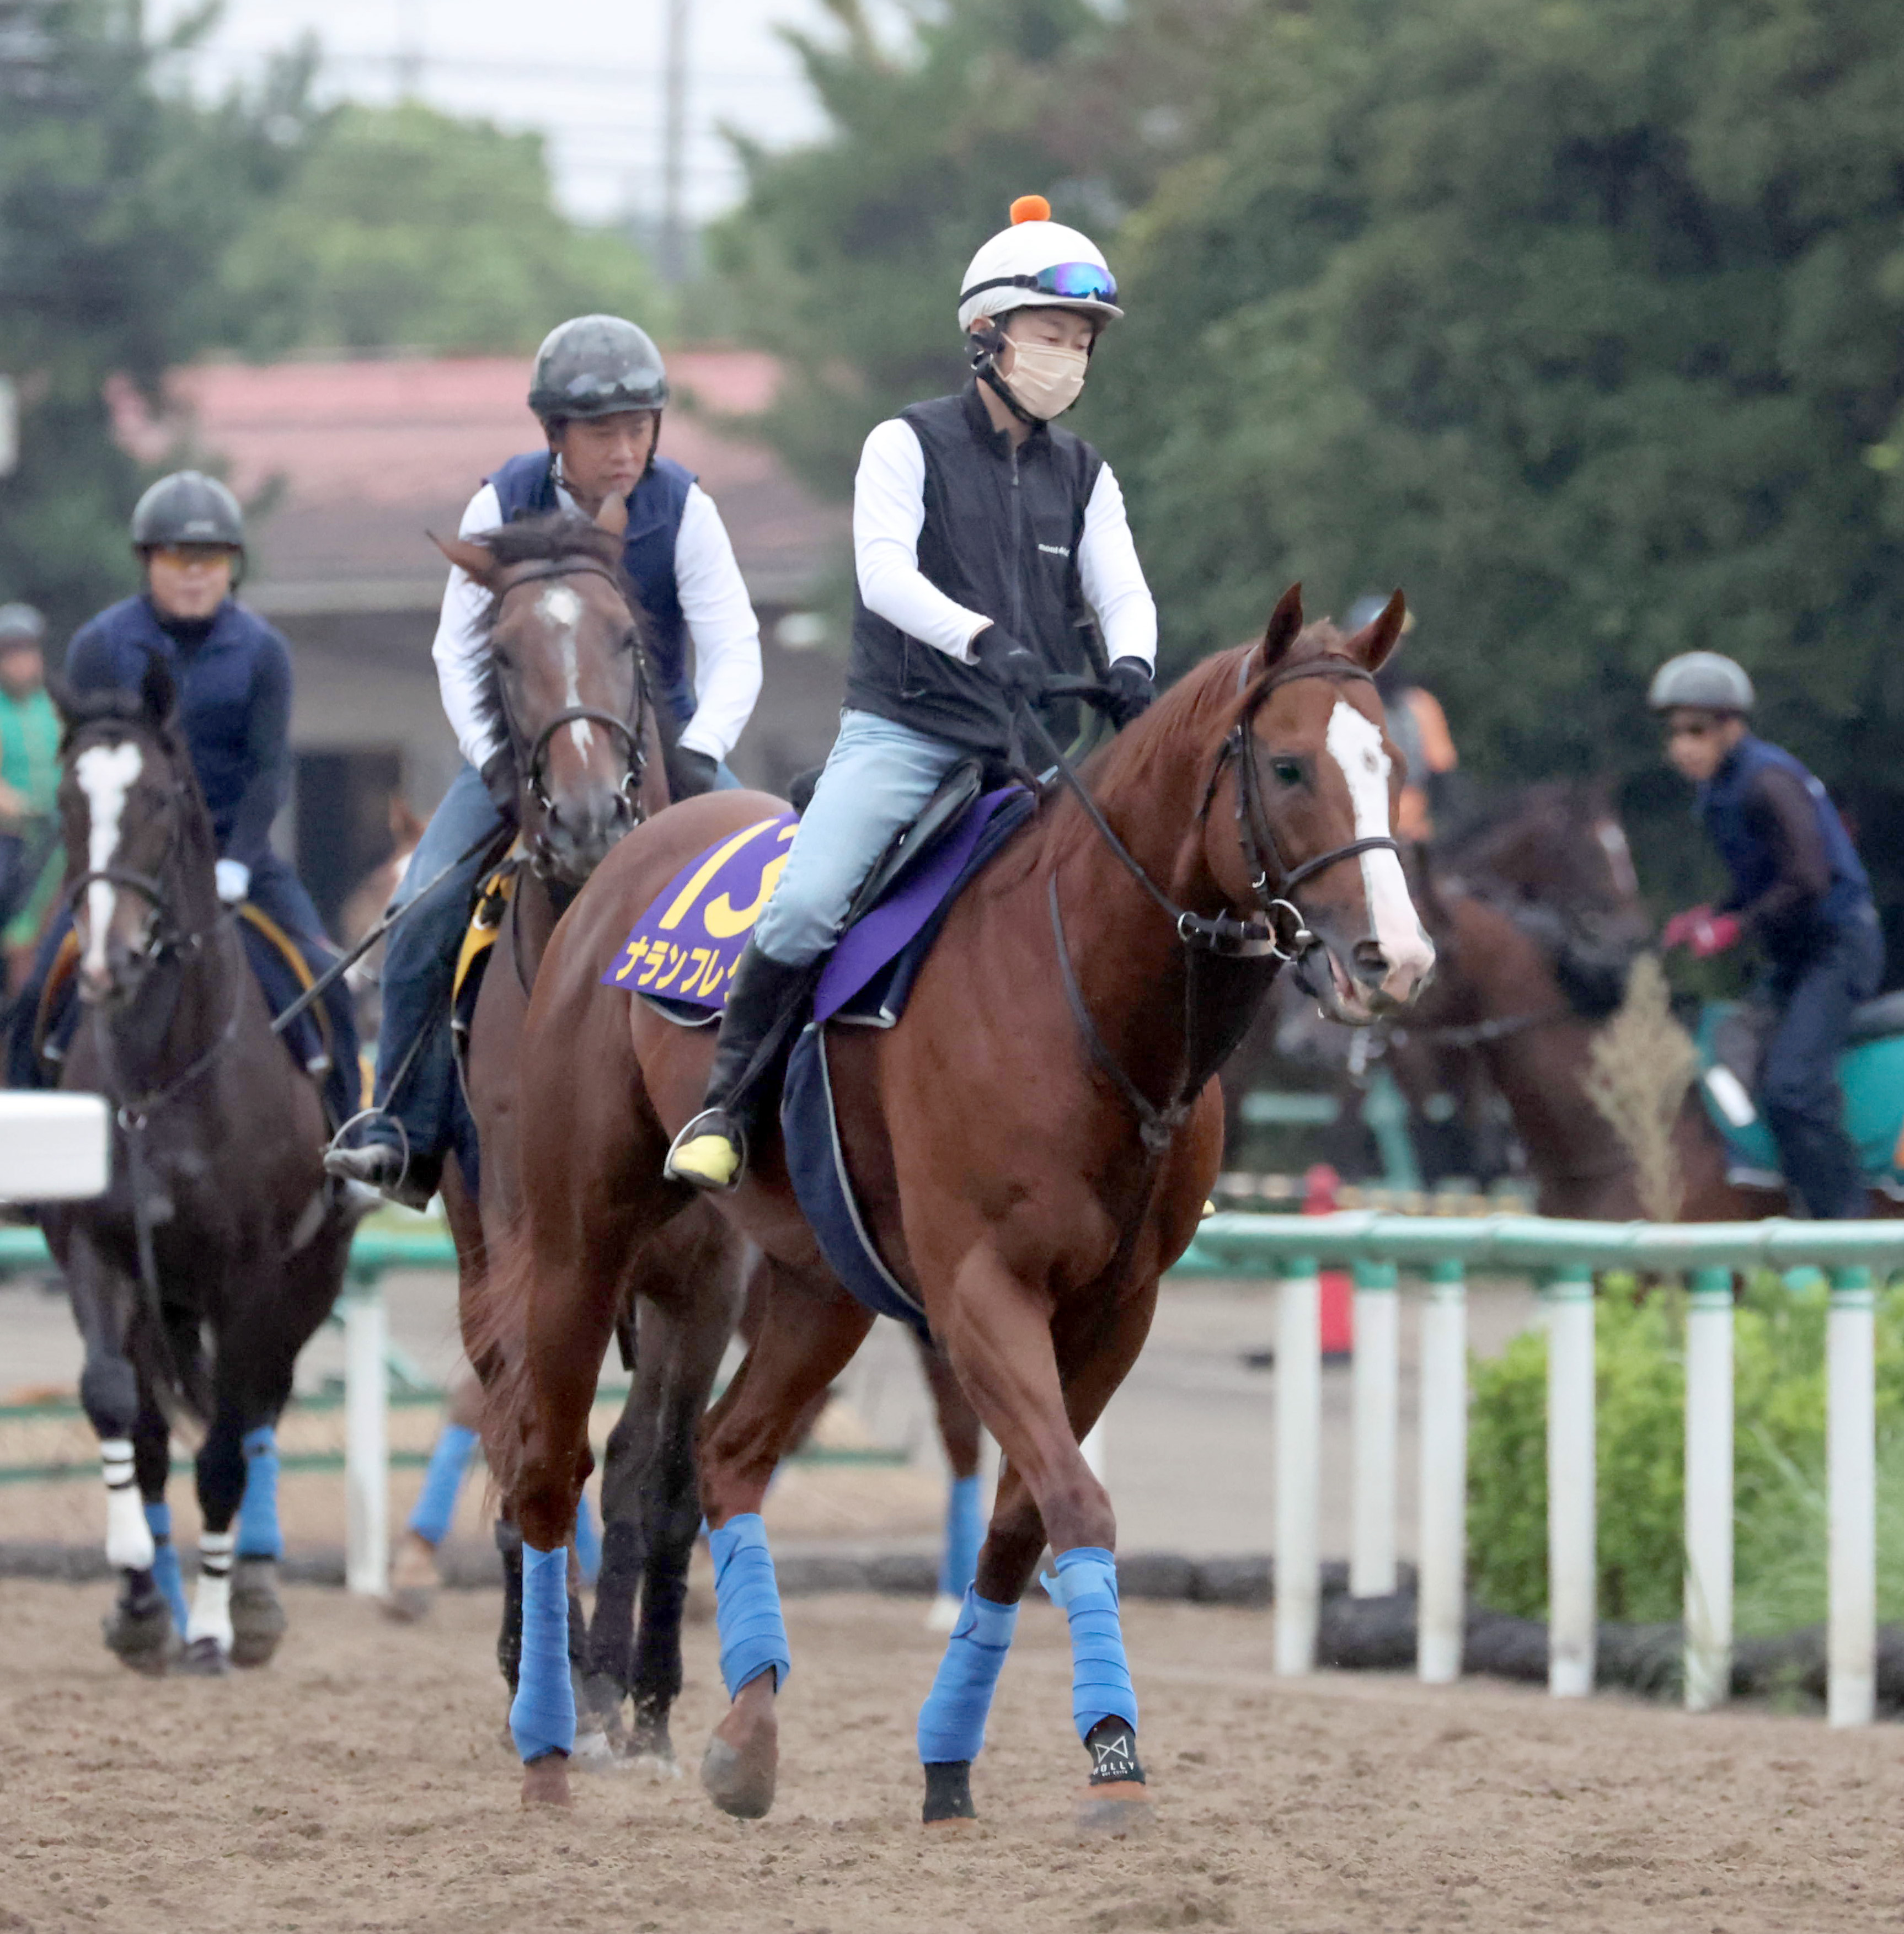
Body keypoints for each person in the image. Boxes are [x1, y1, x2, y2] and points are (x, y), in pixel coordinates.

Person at [665, 194, 1159, 1191]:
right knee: (804, 907)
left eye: (1080, 342)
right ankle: (725, 1106)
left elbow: (1124, 590)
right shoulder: (904, 445)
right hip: (907, 735)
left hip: (1025, 755)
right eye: (1049, 335)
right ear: (986, 338)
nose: (1068, 357)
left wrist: (1135, 666)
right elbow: (885, 574)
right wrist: (981, 638)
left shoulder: (1086, 474)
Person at [324, 314, 765, 1208]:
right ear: (554, 434)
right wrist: (493, 765)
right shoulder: (499, 501)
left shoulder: (685, 506)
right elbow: (457, 653)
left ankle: (767, 1111)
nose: (627, 448)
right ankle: (400, 1129)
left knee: (780, 893)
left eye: (641, 426)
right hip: (520, 760)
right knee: (421, 904)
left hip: (662, 754)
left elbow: (738, 647)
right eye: (605, 431)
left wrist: (698, 752)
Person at [4, 473, 361, 1129]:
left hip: (237, 855)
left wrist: (238, 863)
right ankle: (24, 1158)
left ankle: (349, 1149)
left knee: (325, 980)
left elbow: (269, 772)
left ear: (232, 567)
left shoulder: (262, 653)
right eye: (177, 559)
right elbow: (86, 771)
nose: (195, 575)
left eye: (213, 560)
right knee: (35, 996)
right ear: (148, 562)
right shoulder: (100, 646)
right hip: (127, 862)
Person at [1651, 650, 1882, 1218]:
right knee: (1732, 1056)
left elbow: (1807, 878)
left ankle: (1847, 1227)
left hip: (1836, 951)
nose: (1682, 745)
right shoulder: (1718, 790)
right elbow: (1760, 880)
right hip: (1796, 956)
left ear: (1731, 726)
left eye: (1696, 730)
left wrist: (1733, 927)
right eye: (1674, 731)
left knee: (1791, 1089)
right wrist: (1708, 913)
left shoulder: (1766, 782)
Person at [1352, 595, 1456, 843]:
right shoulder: (1339, 706)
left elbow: (1443, 773)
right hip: (1355, 845)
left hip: (1416, 840)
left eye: (1395, 639)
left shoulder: (1421, 706)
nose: (1390, 647)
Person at [0, 604, 63, 985]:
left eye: (27, 651)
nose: (22, 662)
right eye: (11, 653)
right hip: (15, 836)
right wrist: (22, 808)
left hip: (61, 835)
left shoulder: (54, 706)